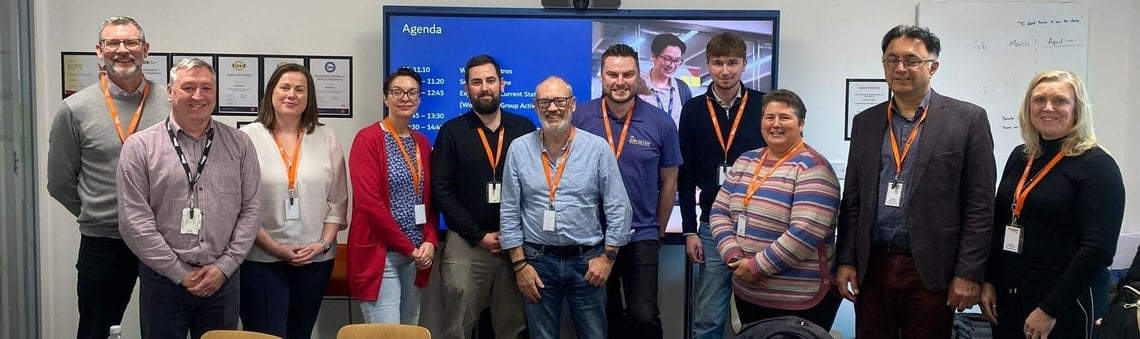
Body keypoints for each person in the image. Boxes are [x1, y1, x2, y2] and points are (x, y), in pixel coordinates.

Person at [835, 25, 996, 339]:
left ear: (933, 66)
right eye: (891, 60)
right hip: (875, 265)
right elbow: (853, 198)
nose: (900, 68)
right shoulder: (865, 122)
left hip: (933, 269)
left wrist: (968, 272)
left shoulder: (968, 120)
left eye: (911, 60)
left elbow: (980, 206)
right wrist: (846, 259)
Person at [116, 58, 261, 339]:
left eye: (206, 88)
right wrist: (178, 272)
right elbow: (134, 221)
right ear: (170, 92)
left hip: (223, 280)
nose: (198, 96)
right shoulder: (140, 147)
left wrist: (224, 267)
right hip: (163, 279)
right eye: (188, 87)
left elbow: (252, 209)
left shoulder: (240, 144)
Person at [46, 16, 170, 339]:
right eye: (113, 43)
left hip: (164, 240)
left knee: (163, 330)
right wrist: (98, 212)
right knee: (95, 331)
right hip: (104, 242)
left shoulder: (171, 105)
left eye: (131, 43)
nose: (122, 50)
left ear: (146, 50)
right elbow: (59, 181)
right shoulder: (75, 109)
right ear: (99, 51)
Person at [979, 70, 1125, 339]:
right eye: (1039, 100)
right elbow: (1000, 223)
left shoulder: (1097, 165)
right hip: (1010, 294)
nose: (1048, 108)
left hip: (1065, 302)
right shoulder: (1022, 155)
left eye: (1060, 100)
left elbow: (1098, 249)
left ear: (1077, 109)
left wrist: (1050, 309)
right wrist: (988, 280)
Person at [500, 76, 632, 339]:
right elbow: (509, 212)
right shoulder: (519, 149)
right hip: (536, 263)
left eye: (559, 101)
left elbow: (619, 207)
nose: (552, 108)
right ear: (535, 106)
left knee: (594, 335)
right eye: (545, 102)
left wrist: (608, 258)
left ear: (572, 104)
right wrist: (519, 266)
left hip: (587, 263)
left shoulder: (596, 149)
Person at [708, 89, 842, 330]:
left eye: (785, 117)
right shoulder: (745, 161)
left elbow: (803, 233)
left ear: (801, 124)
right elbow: (719, 211)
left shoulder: (813, 168)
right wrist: (736, 258)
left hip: (799, 299)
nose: (776, 124)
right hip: (748, 292)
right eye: (769, 117)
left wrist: (756, 267)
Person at [573, 44, 681, 339]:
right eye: (613, 74)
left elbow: (670, 181)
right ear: (602, 76)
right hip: (591, 236)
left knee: (643, 316)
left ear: (638, 76)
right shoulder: (579, 119)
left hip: (641, 235)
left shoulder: (661, 123)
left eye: (627, 74)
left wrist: (657, 230)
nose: (620, 82)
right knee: (601, 318)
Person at [237, 63, 349, 339]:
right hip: (261, 257)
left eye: (300, 89)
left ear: (309, 97)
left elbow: (338, 200)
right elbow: (241, 204)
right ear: (271, 93)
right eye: (284, 87)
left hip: (316, 259)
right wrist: (275, 247)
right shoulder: (246, 137)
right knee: (266, 334)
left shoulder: (326, 137)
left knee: (300, 333)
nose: (292, 94)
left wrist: (322, 245)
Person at [433, 54, 534, 339]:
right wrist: (478, 235)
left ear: (502, 84)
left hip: (514, 246)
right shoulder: (451, 131)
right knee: (458, 327)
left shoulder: (524, 129)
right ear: (466, 88)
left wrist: (513, 235)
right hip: (466, 246)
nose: (484, 87)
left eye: (490, 80)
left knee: (513, 326)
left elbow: (535, 187)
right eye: (476, 82)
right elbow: (442, 190)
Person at [678, 32, 768, 339]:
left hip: (760, 227)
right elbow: (685, 176)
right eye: (718, 63)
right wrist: (690, 230)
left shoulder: (763, 106)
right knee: (707, 317)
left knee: (759, 316)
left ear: (745, 64)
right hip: (714, 228)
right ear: (707, 65)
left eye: (732, 63)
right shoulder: (693, 110)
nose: (725, 70)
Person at [347, 67, 439, 325]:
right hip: (382, 255)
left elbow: (430, 200)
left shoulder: (421, 142)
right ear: (385, 98)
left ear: (419, 99)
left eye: (412, 93)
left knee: (410, 330)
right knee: (387, 333)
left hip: (417, 257)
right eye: (397, 92)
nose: (405, 98)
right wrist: (408, 248)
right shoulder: (367, 139)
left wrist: (430, 241)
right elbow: (370, 204)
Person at [639, 33, 694, 126]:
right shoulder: (638, 85)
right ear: (653, 56)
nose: (672, 65)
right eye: (667, 59)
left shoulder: (682, 88)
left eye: (677, 60)